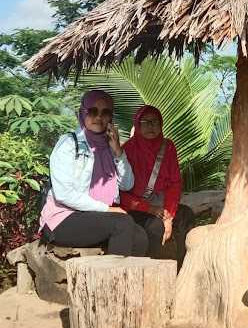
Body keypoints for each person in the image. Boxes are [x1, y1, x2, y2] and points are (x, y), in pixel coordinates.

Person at [40, 90, 148, 256]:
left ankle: (127, 279)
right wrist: (107, 209)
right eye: (92, 111)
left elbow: (127, 185)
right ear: (83, 114)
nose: (98, 117)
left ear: (111, 117)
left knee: (140, 237)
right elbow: (63, 194)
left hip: (93, 216)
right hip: (63, 218)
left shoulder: (110, 146)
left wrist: (118, 151)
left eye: (105, 112)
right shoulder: (69, 143)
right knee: (123, 224)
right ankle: (114, 280)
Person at [120, 105, 195, 267]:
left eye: (155, 122)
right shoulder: (127, 149)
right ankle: (146, 273)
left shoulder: (167, 147)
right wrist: (150, 209)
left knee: (186, 215)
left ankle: (183, 270)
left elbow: (174, 183)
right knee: (155, 227)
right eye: (145, 122)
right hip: (136, 208)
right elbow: (120, 193)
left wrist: (169, 215)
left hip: (161, 205)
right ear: (137, 125)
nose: (150, 126)